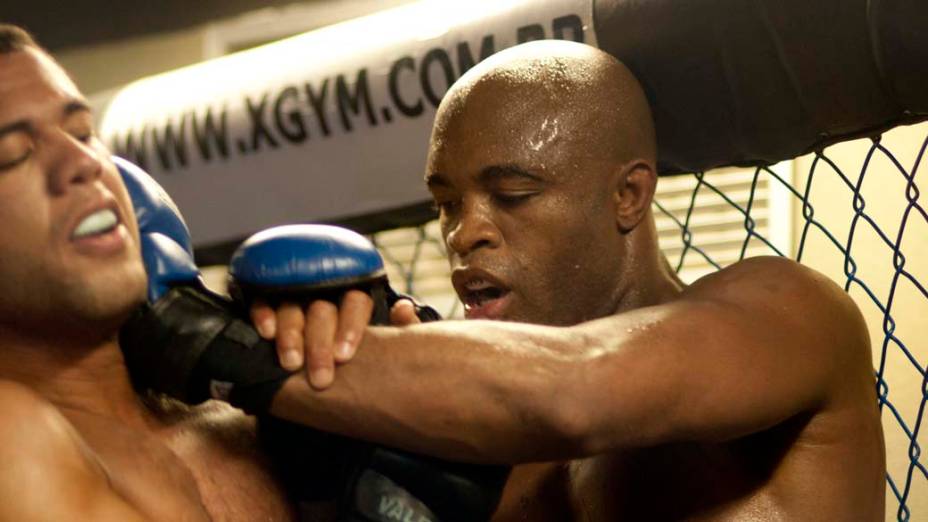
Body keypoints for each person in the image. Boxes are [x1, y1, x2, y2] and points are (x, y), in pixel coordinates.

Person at [247, 41, 887, 520]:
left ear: (628, 195)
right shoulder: (488, 448)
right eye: (446, 203)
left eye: (513, 194)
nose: (465, 233)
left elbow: (581, 389)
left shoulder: (790, 313)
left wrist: (257, 358)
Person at [0, 25, 302, 520]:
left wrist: (338, 368)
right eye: (11, 156)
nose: (82, 162)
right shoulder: (10, 441)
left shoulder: (243, 417)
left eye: (82, 133)